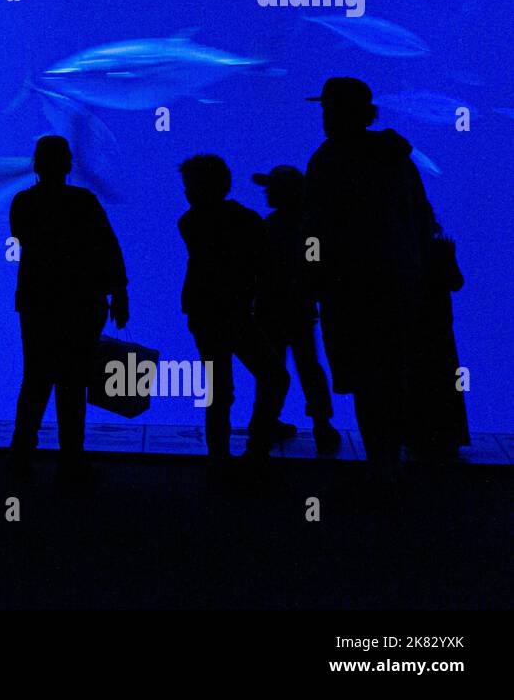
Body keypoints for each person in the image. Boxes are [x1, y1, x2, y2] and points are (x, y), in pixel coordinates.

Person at [302, 78, 436, 484]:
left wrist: (311, 276)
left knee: (364, 376)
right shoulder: (398, 159)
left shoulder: (328, 159)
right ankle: (390, 461)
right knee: (393, 371)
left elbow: (314, 231)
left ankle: (379, 464)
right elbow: (424, 220)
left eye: (329, 109)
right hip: (399, 282)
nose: (324, 117)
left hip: (347, 288)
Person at [7, 135, 128, 478]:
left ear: (36, 165)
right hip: (81, 304)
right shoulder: (84, 200)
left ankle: (19, 457)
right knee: (72, 382)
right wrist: (119, 292)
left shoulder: (22, 202)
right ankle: (71, 461)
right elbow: (108, 245)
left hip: (37, 304)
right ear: (69, 165)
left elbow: (20, 237)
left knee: (35, 380)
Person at [177, 154, 289, 465]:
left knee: (219, 388)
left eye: (188, 187)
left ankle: (219, 458)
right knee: (274, 377)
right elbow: (264, 263)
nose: (185, 193)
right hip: (236, 314)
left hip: (203, 315)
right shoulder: (247, 220)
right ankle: (257, 448)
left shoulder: (188, 222)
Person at [252, 165, 340, 455]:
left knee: (272, 369)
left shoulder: (270, 225)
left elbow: (260, 269)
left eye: (272, 188)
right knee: (308, 367)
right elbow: (315, 268)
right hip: (299, 310)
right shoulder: (309, 227)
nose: (266, 192)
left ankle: (266, 422)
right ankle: (321, 424)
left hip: (271, 310)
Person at [406, 228, 470, 460]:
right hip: (440, 327)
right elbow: (457, 282)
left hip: (416, 325)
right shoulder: (441, 248)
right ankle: (447, 435)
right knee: (445, 381)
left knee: (419, 380)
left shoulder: (406, 246)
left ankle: (418, 435)